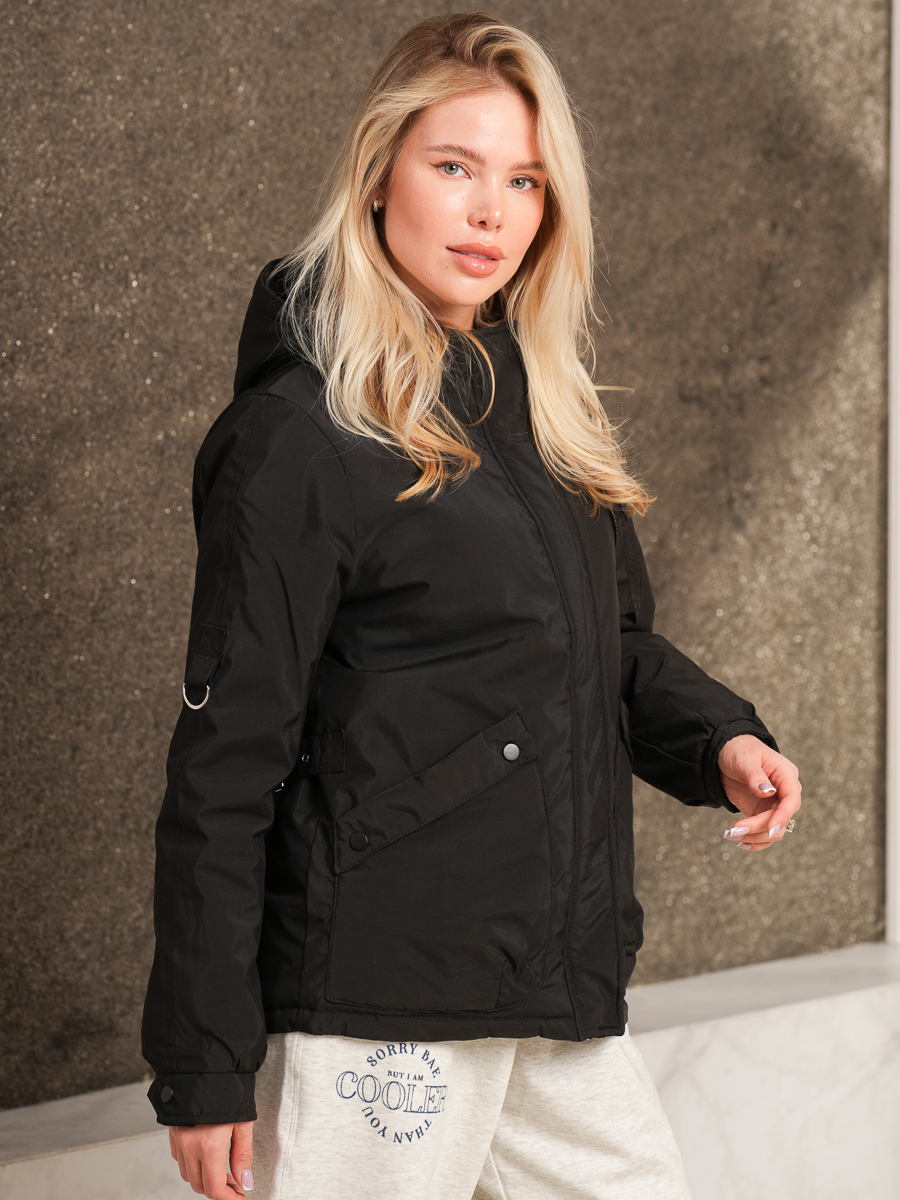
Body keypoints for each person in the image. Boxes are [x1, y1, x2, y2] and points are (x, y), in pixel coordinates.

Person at [141, 12, 802, 1200]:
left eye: (525, 181)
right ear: (378, 172)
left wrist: (721, 739)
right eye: (454, 166)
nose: (491, 211)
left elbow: (610, 649)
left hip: (551, 979)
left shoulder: (541, 413)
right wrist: (202, 1064)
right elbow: (227, 760)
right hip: (377, 1001)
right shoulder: (300, 437)